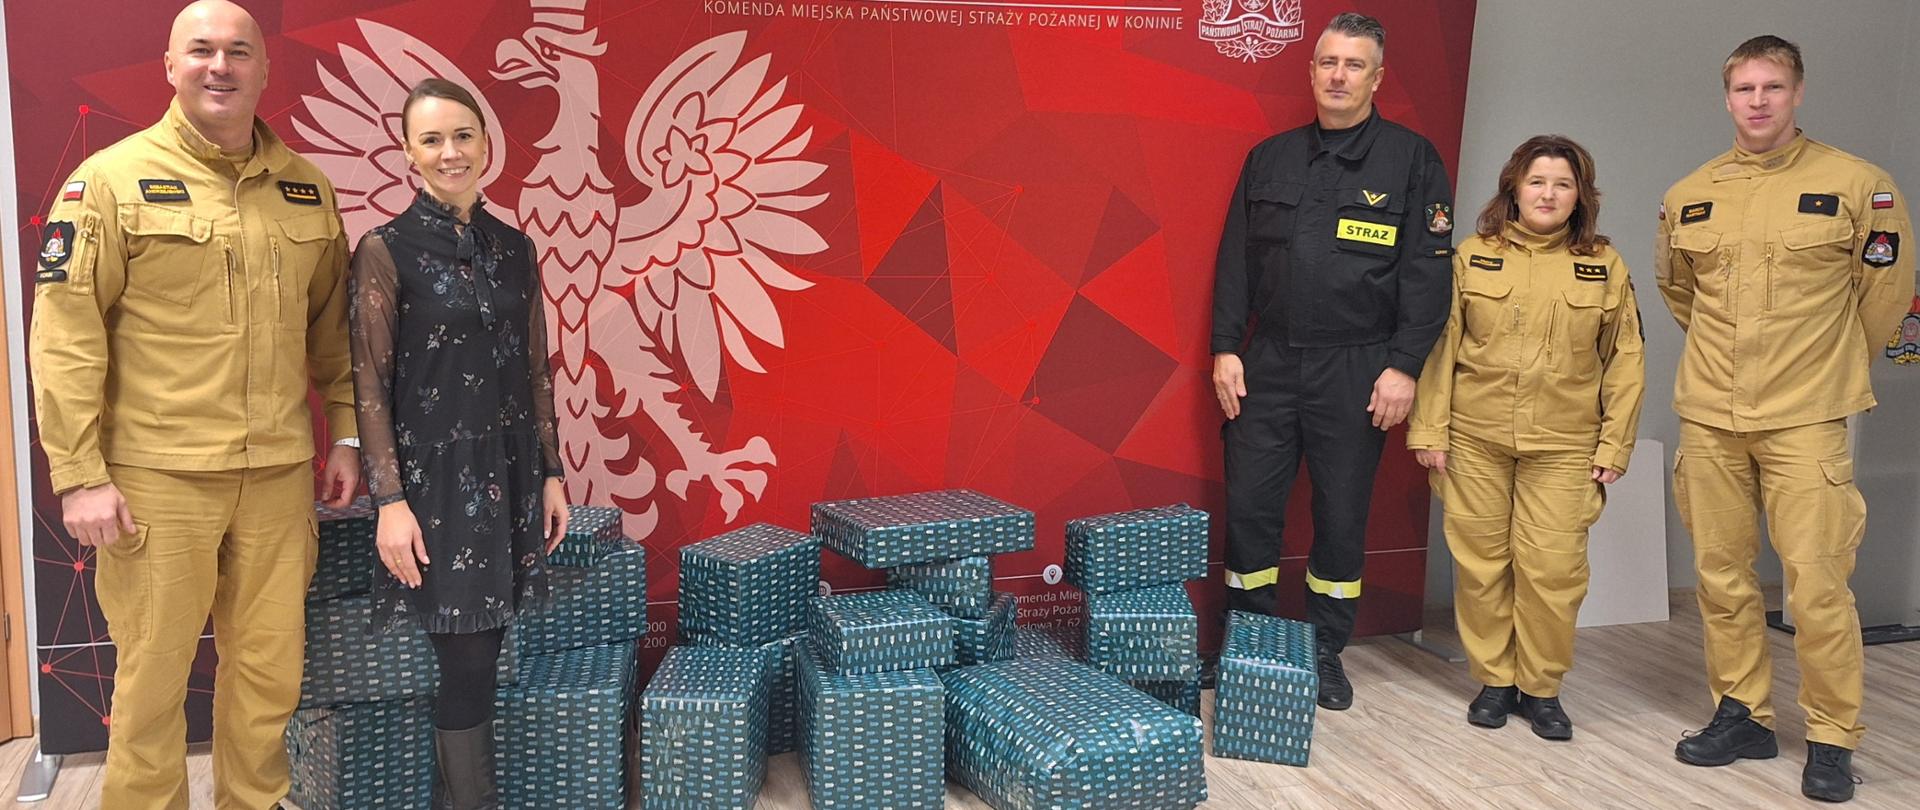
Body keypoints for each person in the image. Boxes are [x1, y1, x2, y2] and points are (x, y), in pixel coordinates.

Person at [27, 2, 359, 807]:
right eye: (201, 50)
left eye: (239, 51)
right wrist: (79, 475)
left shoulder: (305, 189)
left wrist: (347, 435)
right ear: (170, 66)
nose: (221, 66)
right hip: (157, 480)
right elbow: (66, 336)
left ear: (264, 69)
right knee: (152, 681)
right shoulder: (108, 182)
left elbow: (334, 333)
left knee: (270, 676)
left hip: (277, 475)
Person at [1656, 35, 1911, 803]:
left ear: (1798, 93)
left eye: (1773, 86)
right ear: (1727, 97)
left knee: (1818, 583)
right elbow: (1680, 293)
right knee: (1720, 575)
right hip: (1710, 413)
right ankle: (1742, 715)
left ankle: (1832, 737)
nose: (1758, 101)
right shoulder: (1689, 193)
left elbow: (1886, 293)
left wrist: (1828, 364)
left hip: (1807, 415)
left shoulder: (1858, 184)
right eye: (1745, 88)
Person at [1210, 11, 1453, 710]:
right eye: (1328, 62)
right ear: (1311, 71)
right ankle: (1250, 646)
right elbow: (1234, 262)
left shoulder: (1412, 160)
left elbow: (1429, 272)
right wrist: (1226, 347)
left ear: (1377, 78)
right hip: (1268, 363)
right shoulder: (1270, 158)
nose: (1338, 76)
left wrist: (1404, 365)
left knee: (1342, 515)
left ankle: (1322, 651)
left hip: (1358, 367)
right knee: (1251, 509)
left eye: (1353, 65)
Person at [349, 77, 568, 809]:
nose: (451, 152)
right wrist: (389, 502)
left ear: (486, 144)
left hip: (510, 472)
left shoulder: (515, 248)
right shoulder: (385, 250)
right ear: (409, 152)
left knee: (485, 651)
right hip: (434, 486)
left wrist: (552, 474)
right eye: (433, 139)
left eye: (464, 135)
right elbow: (369, 383)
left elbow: (535, 369)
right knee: (468, 658)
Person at [1407, 135, 1645, 741]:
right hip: (1475, 438)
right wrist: (1430, 429)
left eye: (1563, 184)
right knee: (1482, 568)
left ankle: (1541, 688)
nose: (1548, 194)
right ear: (1514, 187)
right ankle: (1494, 681)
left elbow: (1625, 359)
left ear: (1580, 197)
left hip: (1565, 444)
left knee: (1553, 572)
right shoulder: (1473, 256)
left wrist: (1615, 443)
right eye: (1537, 181)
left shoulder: (1605, 265)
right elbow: (1441, 346)